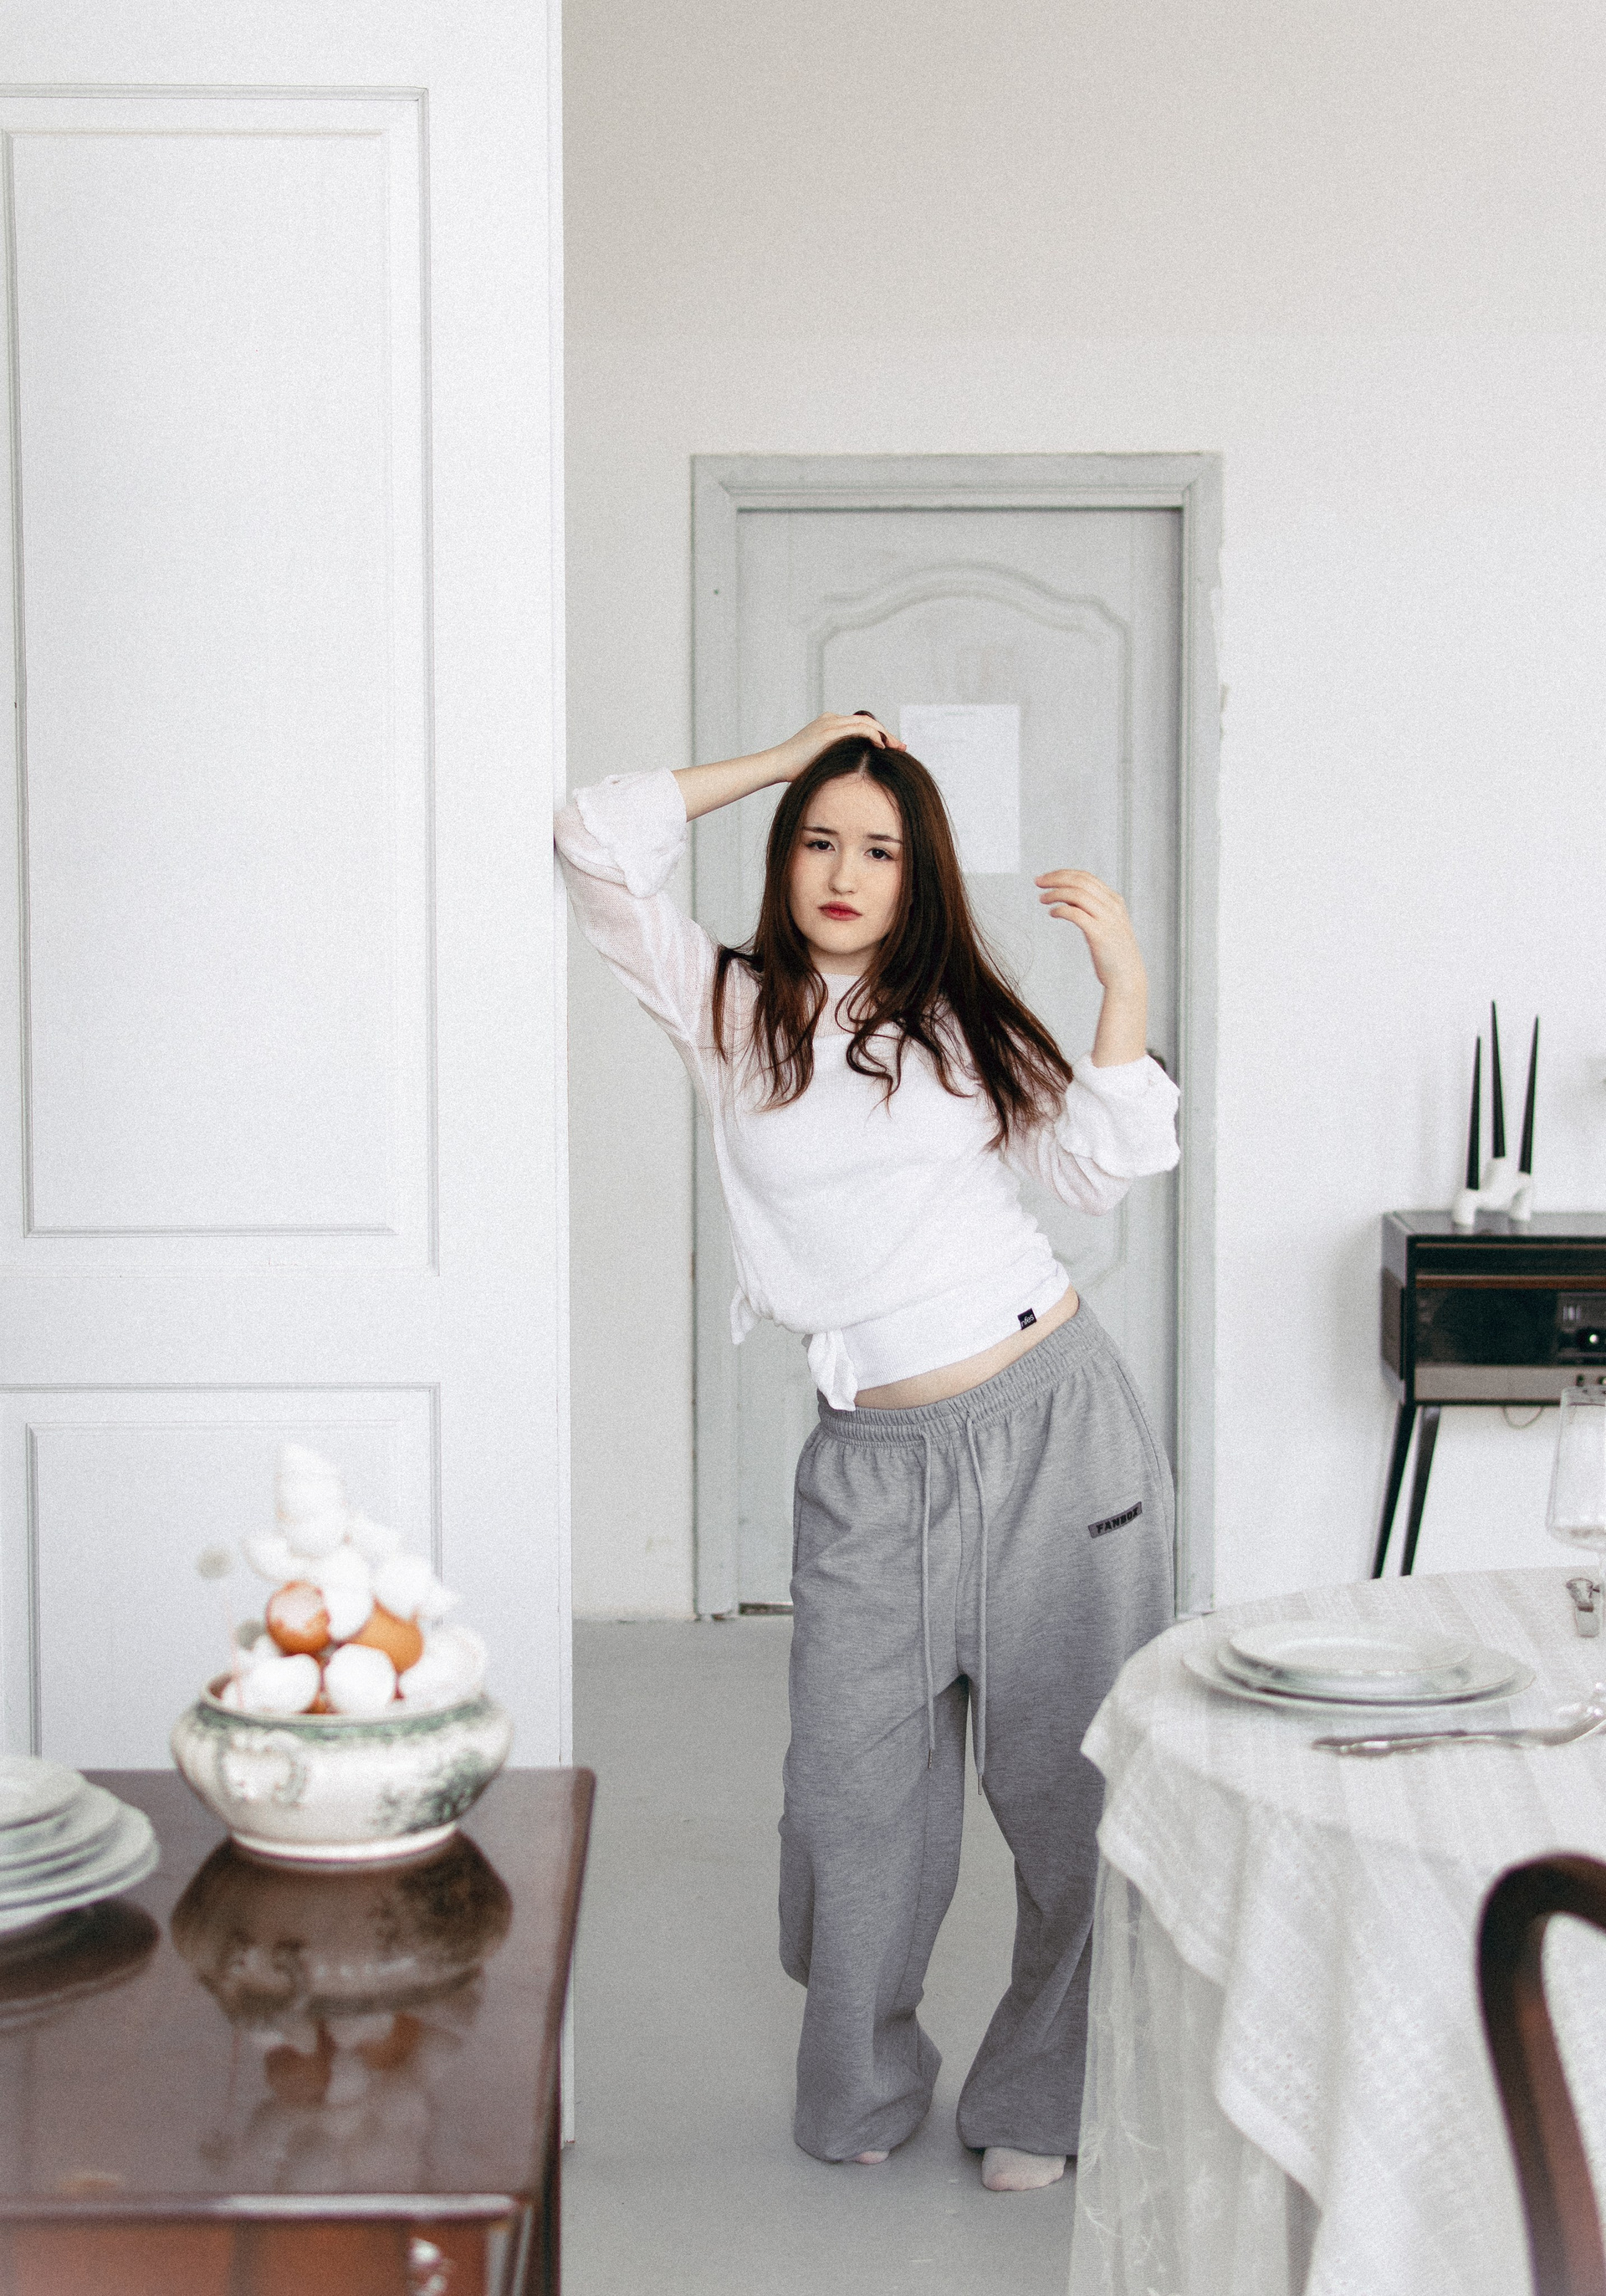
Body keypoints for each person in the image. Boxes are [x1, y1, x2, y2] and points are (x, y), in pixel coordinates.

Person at [555, 711, 1179, 2191]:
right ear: (786, 856)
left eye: (881, 849)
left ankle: (1040, 2094)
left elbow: (1100, 1165)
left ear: (919, 875)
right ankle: (864, 2074)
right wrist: (788, 756)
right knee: (848, 1805)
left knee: (1071, 1793)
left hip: (1055, 1427)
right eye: (821, 840)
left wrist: (1123, 984)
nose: (846, 872)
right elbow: (594, 839)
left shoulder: (964, 1022)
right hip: (870, 1466)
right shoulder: (729, 1009)